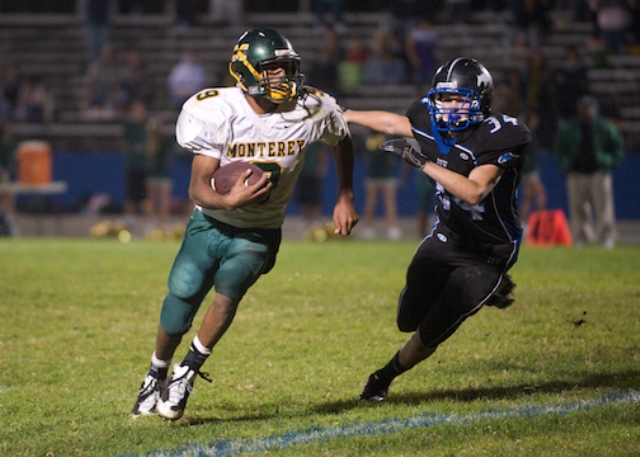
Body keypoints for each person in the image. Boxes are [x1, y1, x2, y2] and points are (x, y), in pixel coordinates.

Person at [132, 28, 358, 420]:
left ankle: (186, 373)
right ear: (246, 71)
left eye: (287, 68)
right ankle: (156, 372)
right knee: (180, 304)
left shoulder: (312, 107)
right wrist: (227, 200)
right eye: (273, 69)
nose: (284, 77)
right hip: (211, 222)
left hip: (260, 228)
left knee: (230, 290)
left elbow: (341, 138)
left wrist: (345, 194)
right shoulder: (217, 110)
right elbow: (197, 188)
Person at [344, 57, 531, 401]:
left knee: (430, 332)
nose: (449, 107)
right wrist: (346, 114)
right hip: (447, 237)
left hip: (489, 252)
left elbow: (474, 191)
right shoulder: (428, 119)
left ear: (481, 100)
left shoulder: (500, 134)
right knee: (406, 319)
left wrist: (421, 162)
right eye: (444, 99)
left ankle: (382, 377)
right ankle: (486, 291)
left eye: (459, 99)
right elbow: (392, 122)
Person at [554, 95, 624, 249]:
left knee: (603, 206)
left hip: (598, 171)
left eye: (588, 108)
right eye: (583, 108)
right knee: (578, 207)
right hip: (577, 172)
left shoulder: (603, 127)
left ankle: (606, 237)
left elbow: (617, 146)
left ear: (594, 109)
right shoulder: (572, 128)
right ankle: (581, 237)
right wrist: (565, 164)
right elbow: (560, 148)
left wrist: (609, 162)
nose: (585, 112)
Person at [359, 131, 402, 240]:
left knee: (389, 201)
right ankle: (368, 228)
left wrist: (393, 157)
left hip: (387, 171)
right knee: (371, 201)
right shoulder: (367, 135)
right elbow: (358, 147)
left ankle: (392, 228)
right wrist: (365, 157)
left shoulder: (389, 134)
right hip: (373, 172)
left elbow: (400, 145)